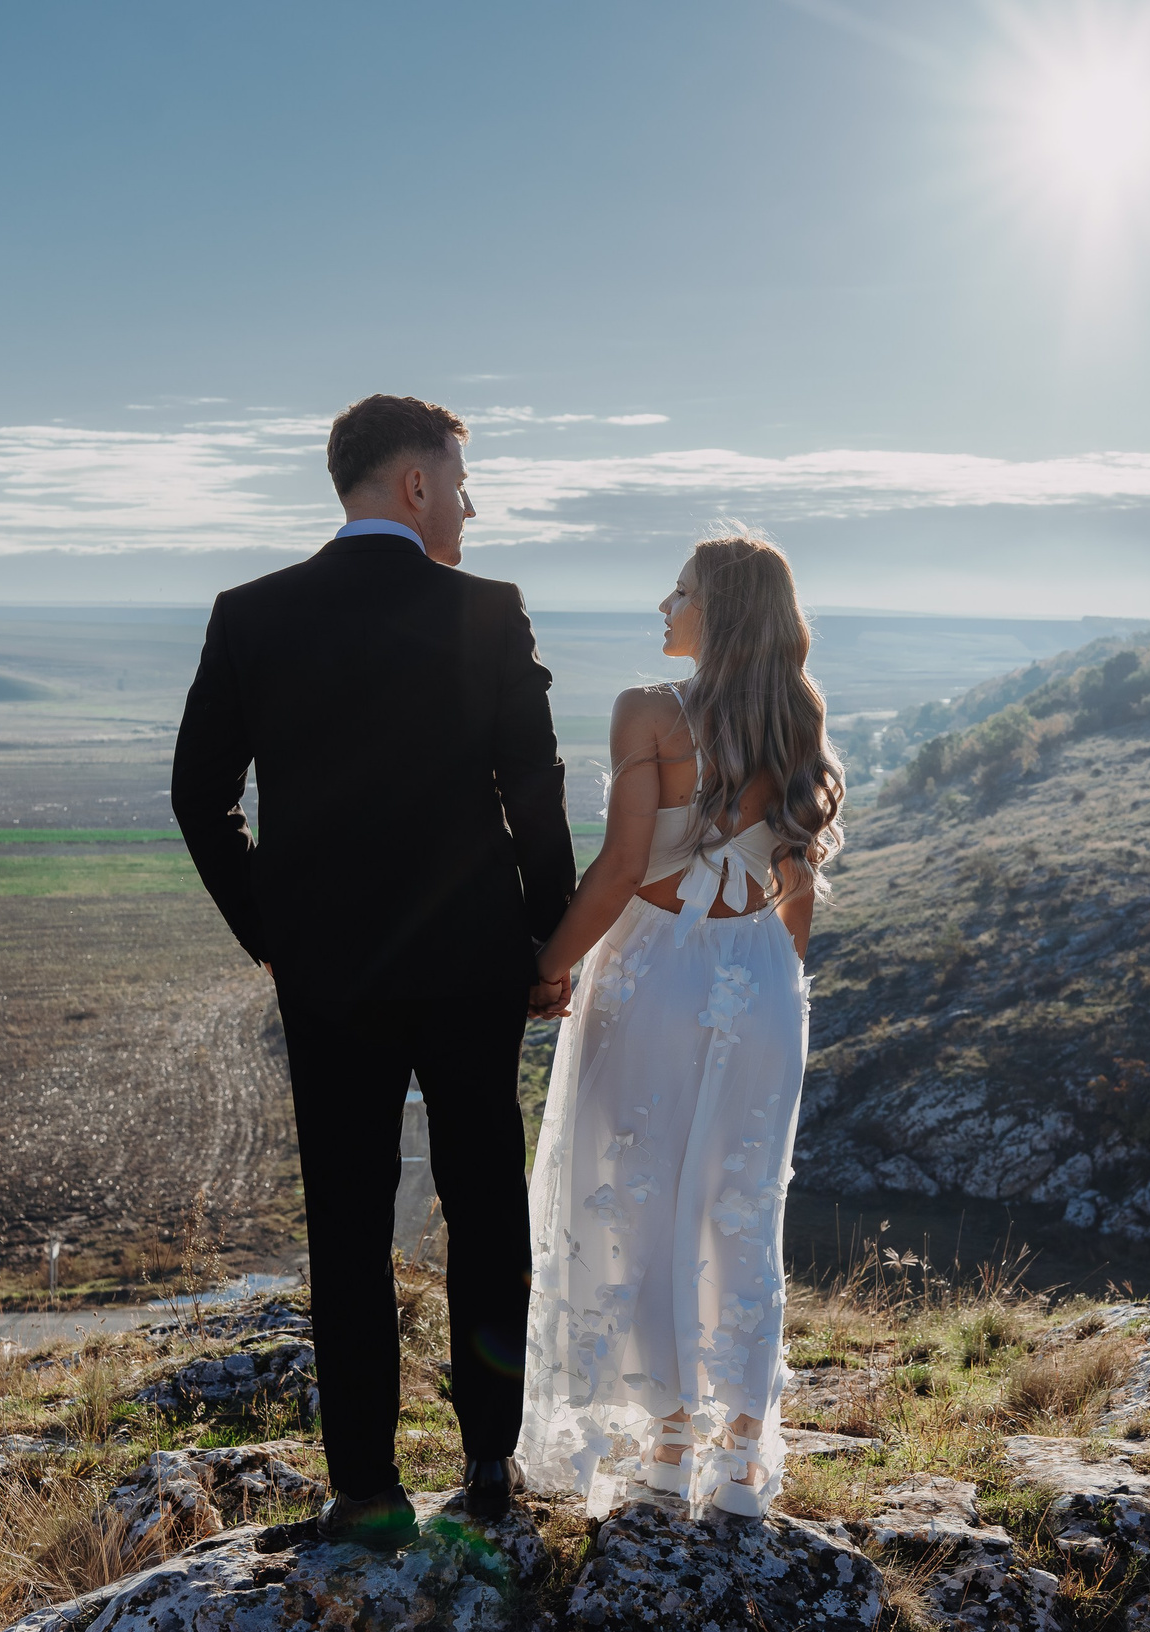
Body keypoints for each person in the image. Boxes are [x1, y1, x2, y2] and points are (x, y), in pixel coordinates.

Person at [170, 394, 575, 1548]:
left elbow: (199, 797)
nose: (469, 502)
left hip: (330, 974)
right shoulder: (488, 611)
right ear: (412, 484)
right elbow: (533, 791)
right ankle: (491, 1466)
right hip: (471, 964)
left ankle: (364, 1488)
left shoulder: (251, 615)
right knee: (485, 1195)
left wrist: (273, 931)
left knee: (344, 1217)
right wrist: (548, 935)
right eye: (460, 479)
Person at [518, 532, 842, 1518]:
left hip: (655, 965)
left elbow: (621, 868)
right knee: (739, 1206)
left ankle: (666, 1444)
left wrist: (548, 962)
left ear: (721, 610)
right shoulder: (798, 718)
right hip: (756, 974)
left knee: (634, 1195)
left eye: (683, 591)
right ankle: (740, 1454)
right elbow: (797, 887)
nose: (666, 604)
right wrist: (772, 974)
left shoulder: (646, 712)